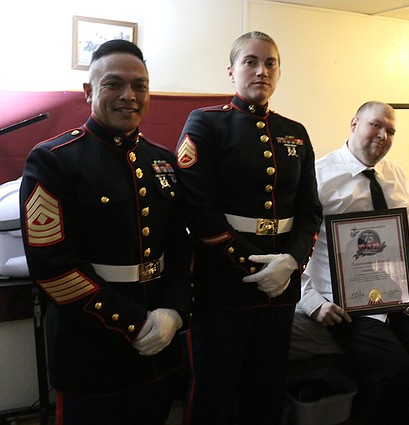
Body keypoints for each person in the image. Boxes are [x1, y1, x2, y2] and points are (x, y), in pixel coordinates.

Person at [19, 39, 192, 425]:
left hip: (158, 349)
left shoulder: (162, 160)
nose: (129, 96)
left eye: (140, 86)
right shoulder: (53, 160)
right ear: (89, 92)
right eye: (114, 84)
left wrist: (174, 312)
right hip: (90, 348)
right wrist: (134, 324)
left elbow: (180, 246)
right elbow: (54, 267)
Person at [176, 31, 322, 425]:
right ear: (231, 71)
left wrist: (290, 261)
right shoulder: (206, 124)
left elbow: (311, 210)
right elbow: (199, 211)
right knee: (213, 389)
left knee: (268, 387)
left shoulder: (296, 131)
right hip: (223, 284)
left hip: (281, 289)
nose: (261, 70)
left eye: (270, 63)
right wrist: (255, 268)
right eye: (250, 62)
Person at [298, 101, 409, 425]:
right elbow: (296, 248)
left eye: (391, 130)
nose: (383, 135)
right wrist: (312, 302)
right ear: (354, 123)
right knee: (396, 369)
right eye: (376, 125)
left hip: (398, 295)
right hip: (346, 302)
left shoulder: (395, 175)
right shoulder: (318, 176)